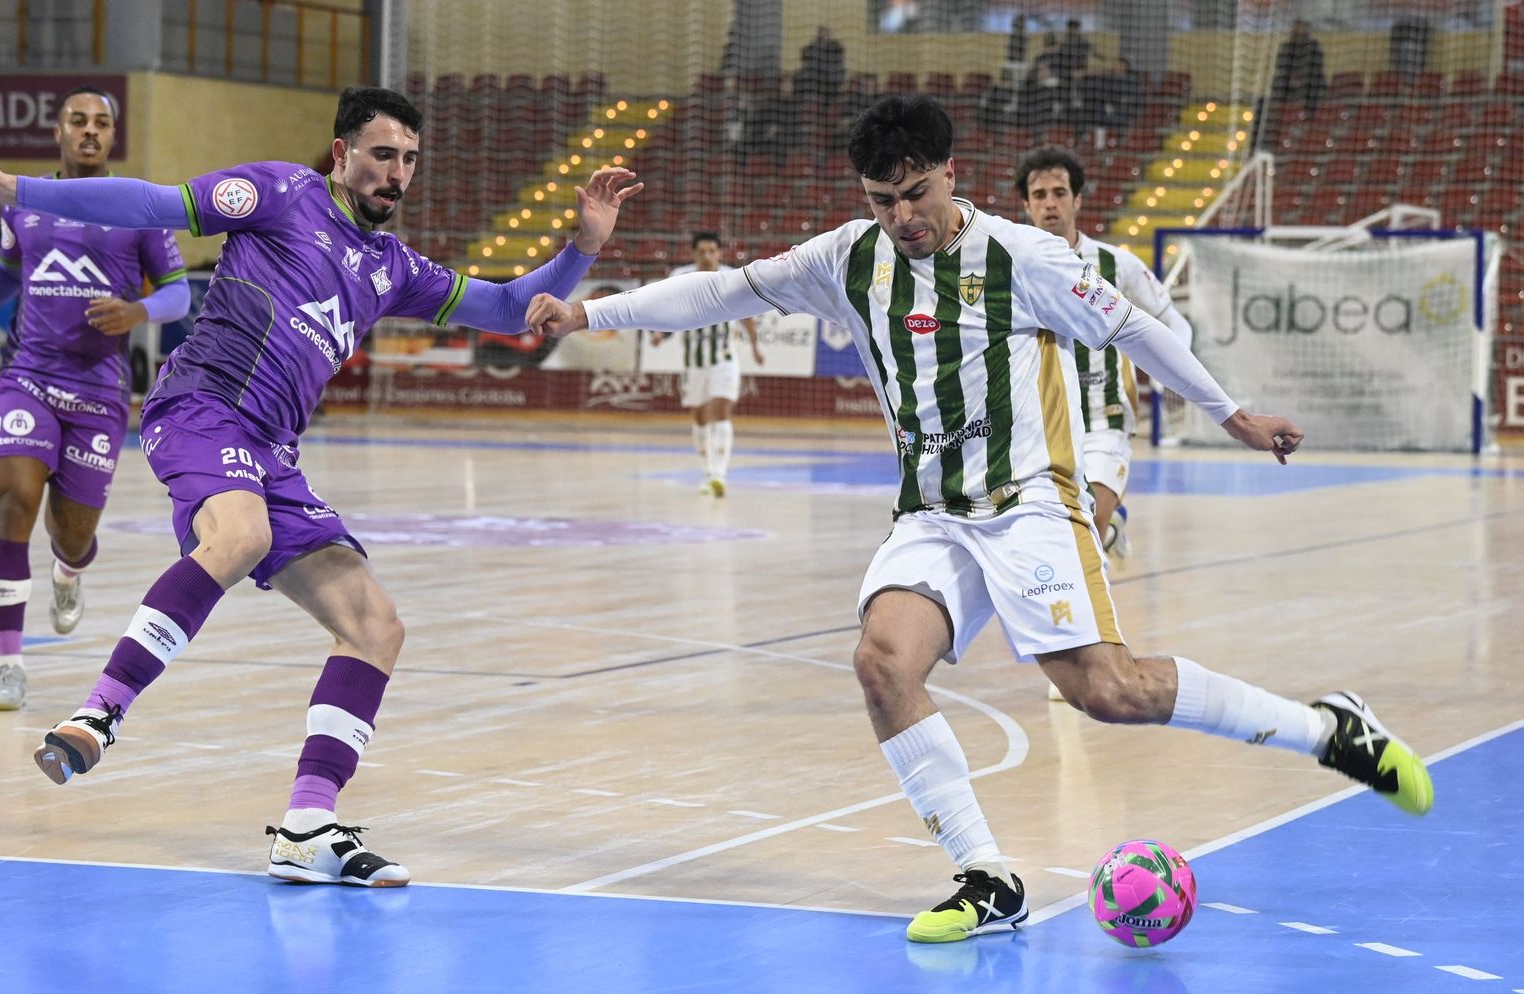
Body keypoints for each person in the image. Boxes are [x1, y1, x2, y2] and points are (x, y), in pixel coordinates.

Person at [525, 94, 1432, 943]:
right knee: (882, 662)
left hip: (1033, 501)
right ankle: (986, 877)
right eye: (884, 200)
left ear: (952, 174)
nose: (902, 217)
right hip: (932, 510)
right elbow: (722, 293)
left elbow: (1135, 332)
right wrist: (587, 310)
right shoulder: (848, 256)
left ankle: (1329, 729)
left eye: (916, 194)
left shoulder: (1023, 258)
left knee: (1107, 693)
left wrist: (1233, 415)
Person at [0, 85, 642, 885]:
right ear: (341, 156)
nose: (396, 173)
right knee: (241, 536)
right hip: (201, 407)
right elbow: (152, 202)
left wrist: (582, 246)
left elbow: (512, 307)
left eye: (408, 159)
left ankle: (306, 826)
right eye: (381, 155)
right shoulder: (280, 194)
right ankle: (102, 708)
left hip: (272, 451)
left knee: (376, 625)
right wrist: (13, 189)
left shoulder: (392, 267)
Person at [0, 86, 190, 711]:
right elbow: (7, 275)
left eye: (101, 123)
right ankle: (8, 667)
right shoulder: (24, 204)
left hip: (99, 392)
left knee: (72, 538)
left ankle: (69, 572)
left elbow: (180, 293)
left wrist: (138, 311)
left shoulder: (138, 207)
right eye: (79, 121)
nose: (90, 131)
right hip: (29, 376)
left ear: (111, 137)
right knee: (13, 499)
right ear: (59, 132)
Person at [1015, 146, 1191, 564]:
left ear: (1077, 200)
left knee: (1084, 530)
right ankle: (1112, 528)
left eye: (1059, 192)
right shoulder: (1009, 265)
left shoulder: (1117, 264)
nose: (1050, 203)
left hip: (1104, 416)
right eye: (1039, 195)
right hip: (1034, 424)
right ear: (1026, 205)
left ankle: (1104, 528)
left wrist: (1175, 375)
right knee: (1046, 539)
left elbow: (1175, 322)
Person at [655, 232, 763, 496]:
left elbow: (746, 314)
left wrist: (755, 345)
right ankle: (706, 472)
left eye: (711, 251)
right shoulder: (680, 277)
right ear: (693, 254)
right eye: (701, 251)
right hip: (694, 361)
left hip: (725, 359)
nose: (707, 256)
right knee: (700, 418)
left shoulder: (731, 277)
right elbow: (664, 307)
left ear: (719, 253)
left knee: (722, 409)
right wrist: (659, 332)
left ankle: (719, 474)